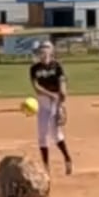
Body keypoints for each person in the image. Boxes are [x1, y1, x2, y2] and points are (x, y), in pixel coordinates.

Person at [29, 41, 73, 175]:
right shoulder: (34, 68)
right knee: (42, 135)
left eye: (46, 49)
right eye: (41, 50)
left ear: (51, 51)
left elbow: (62, 84)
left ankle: (67, 158)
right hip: (43, 102)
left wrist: (61, 100)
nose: (43, 52)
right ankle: (46, 167)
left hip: (55, 102)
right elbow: (36, 87)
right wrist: (50, 95)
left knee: (56, 135)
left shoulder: (57, 66)